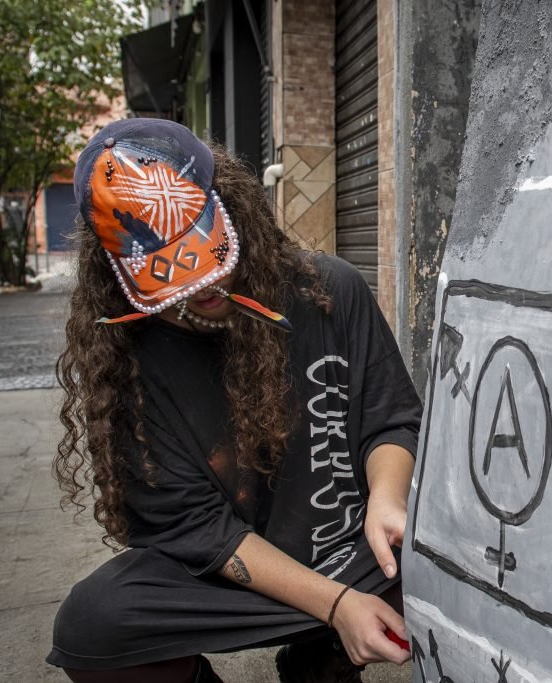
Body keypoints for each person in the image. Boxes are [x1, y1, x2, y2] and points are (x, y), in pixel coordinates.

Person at [47, 118, 422, 683]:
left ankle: (320, 662)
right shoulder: (126, 361)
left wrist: (389, 503)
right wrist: (335, 605)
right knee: (92, 625)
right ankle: (320, 630)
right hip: (238, 581)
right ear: (117, 275)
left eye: (206, 262)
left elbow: (390, 420)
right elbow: (199, 531)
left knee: (450, 552)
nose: (200, 292)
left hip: (352, 553)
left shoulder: (330, 290)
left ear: (232, 209)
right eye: (171, 282)